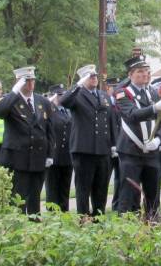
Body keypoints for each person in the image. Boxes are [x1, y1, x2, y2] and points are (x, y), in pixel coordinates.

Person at [115, 54, 161, 221]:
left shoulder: (153, 93)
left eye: (147, 71)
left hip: (152, 153)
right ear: (130, 75)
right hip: (131, 152)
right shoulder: (123, 94)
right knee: (129, 195)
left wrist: (159, 140)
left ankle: (152, 227)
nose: (145, 75)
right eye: (140, 71)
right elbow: (132, 114)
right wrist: (154, 108)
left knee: (153, 194)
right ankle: (127, 229)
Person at [0, 66, 54, 215]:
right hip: (18, 159)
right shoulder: (10, 100)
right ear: (19, 82)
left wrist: (50, 154)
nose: (31, 83)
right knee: (18, 199)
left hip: (38, 158)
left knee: (35, 198)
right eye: (26, 80)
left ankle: (34, 227)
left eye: (32, 79)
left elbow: (49, 130)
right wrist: (14, 91)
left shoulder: (43, 101)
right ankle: (18, 228)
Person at [60, 64, 115, 216]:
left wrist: (114, 144)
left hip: (102, 149)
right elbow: (63, 101)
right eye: (90, 76)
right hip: (84, 150)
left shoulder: (103, 96)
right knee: (83, 188)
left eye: (95, 75)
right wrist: (77, 85)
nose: (94, 78)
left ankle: (99, 219)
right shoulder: (77, 95)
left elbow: (110, 119)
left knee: (101, 188)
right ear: (83, 79)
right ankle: (83, 219)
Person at [45, 84, 73, 212]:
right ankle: (52, 213)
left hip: (67, 155)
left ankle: (64, 211)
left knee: (65, 186)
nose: (62, 98)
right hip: (54, 155)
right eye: (59, 95)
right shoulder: (49, 110)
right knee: (52, 187)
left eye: (63, 95)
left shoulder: (68, 110)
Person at [106, 77, 122, 211]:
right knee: (104, 179)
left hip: (121, 146)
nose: (116, 89)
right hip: (107, 147)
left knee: (120, 177)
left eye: (117, 86)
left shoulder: (121, 102)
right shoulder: (105, 103)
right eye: (113, 86)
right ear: (108, 88)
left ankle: (117, 204)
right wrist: (112, 143)